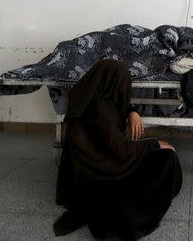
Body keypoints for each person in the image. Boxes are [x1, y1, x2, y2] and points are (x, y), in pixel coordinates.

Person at [54, 59, 182, 241]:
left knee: (161, 156)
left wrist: (132, 111)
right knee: (167, 158)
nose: (125, 87)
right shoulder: (102, 109)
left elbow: (113, 131)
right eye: (123, 82)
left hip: (92, 171)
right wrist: (155, 144)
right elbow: (122, 150)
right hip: (105, 176)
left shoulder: (85, 98)